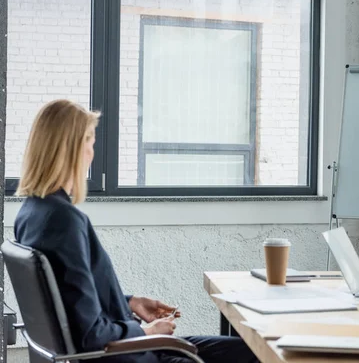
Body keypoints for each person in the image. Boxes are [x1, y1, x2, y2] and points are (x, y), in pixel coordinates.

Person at [14, 99, 258, 363]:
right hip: (129, 355)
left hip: (128, 347)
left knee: (250, 350)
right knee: (260, 354)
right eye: (90, 143)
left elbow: (73, 304)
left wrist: (130, 302)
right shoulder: (65, 221)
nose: (91, 154)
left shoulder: (32, 213)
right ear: (73, 149)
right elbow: (90, 335)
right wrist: (145, 330)